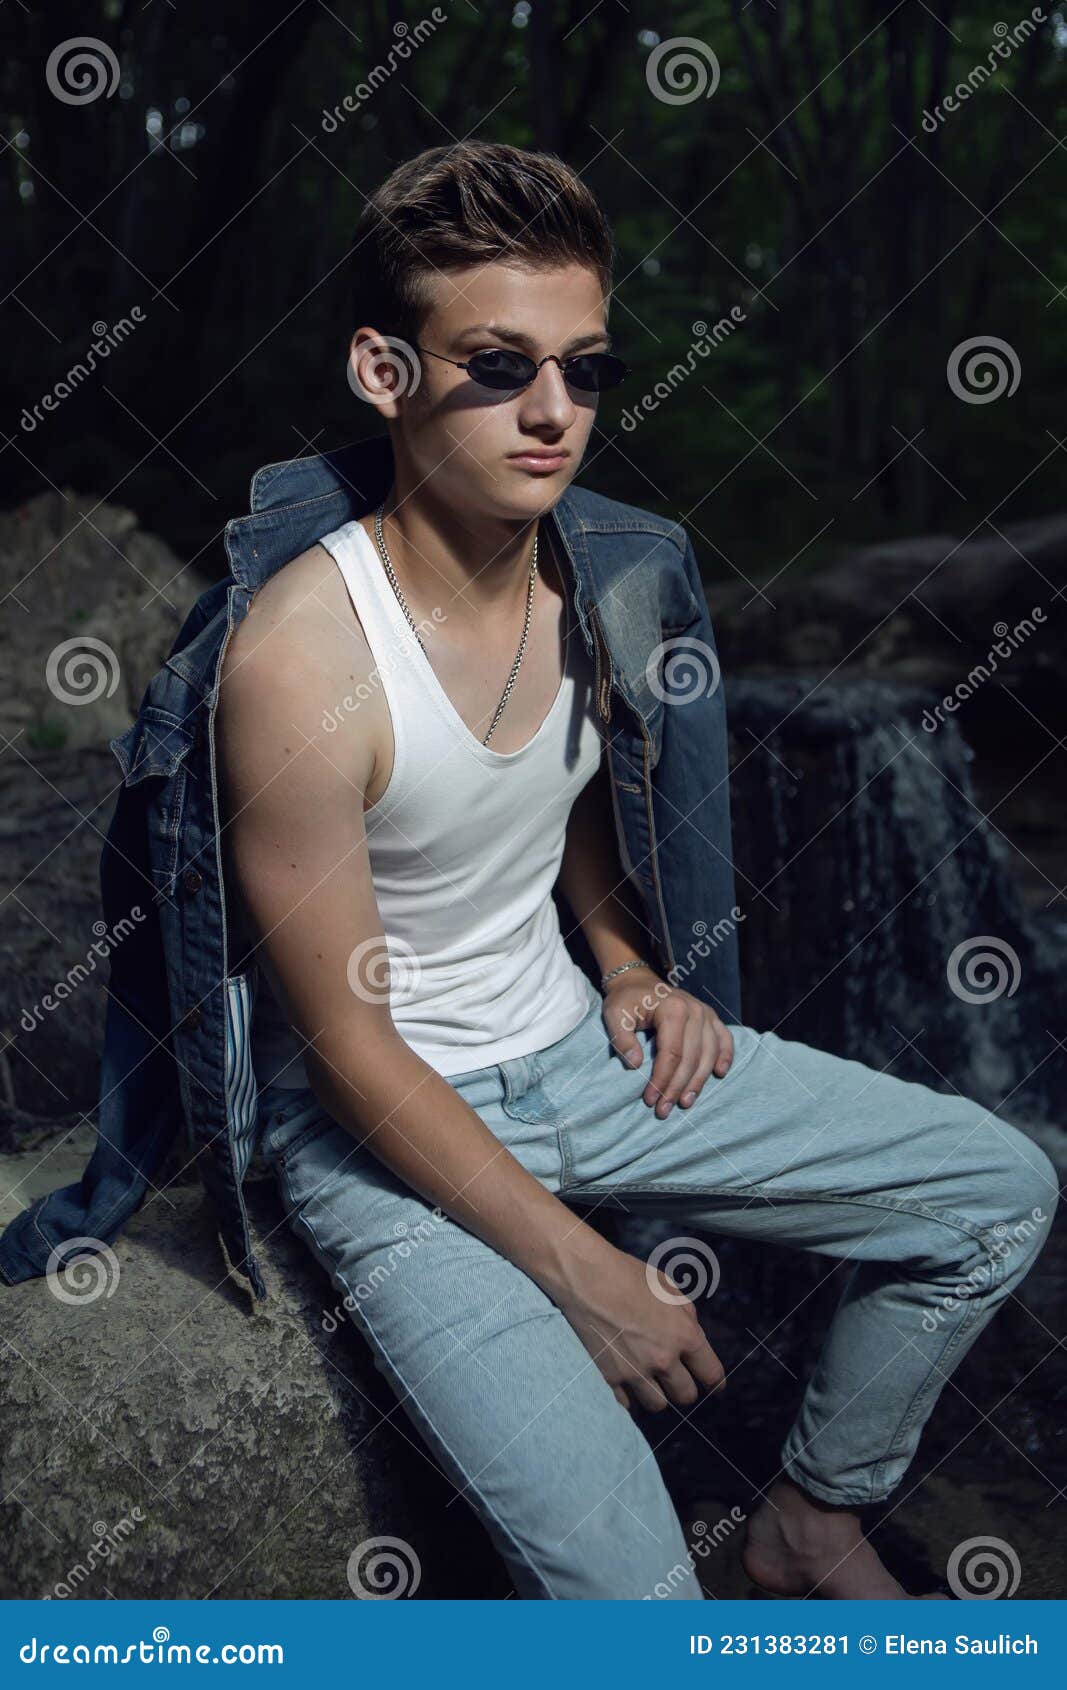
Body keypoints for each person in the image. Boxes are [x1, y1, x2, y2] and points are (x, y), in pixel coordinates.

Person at [214, 140, 1057, 1601]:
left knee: (995, 1189)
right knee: (643, 1606)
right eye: (496, 364)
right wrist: (583, 1272)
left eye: (584, 368)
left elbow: (577, 796)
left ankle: (812, 1519)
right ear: (383, 370)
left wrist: (624, 961)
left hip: (576, 1052)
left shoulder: (597, 572)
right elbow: (344, 1044)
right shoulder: (302, 660)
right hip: (386, 1133)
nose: (552, 412)